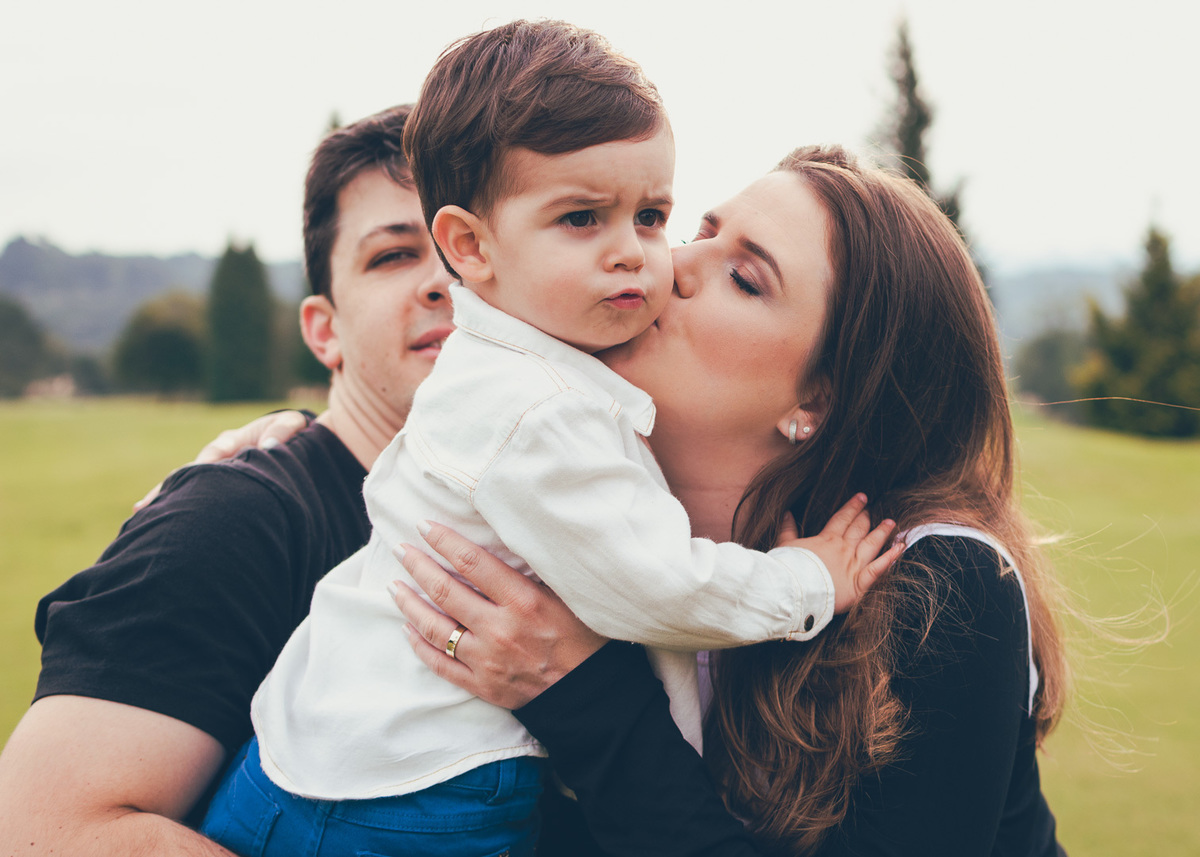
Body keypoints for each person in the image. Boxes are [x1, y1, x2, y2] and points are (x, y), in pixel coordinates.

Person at [200, 20, 899, 857]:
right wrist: (807, 581)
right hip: (415, 789)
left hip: (320, 751)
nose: (638, 257)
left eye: (650, 214)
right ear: (469, 245)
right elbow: (659, 585)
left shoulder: (508, 373)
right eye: (580, 218)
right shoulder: (542, 410)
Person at [390, 146, 1070, 855]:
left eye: (743, 277)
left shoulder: (939, 584)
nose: (668, 264)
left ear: (818, 398)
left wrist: (579, 689)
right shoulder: (576, 514)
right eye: (693, 232)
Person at [0, 105, 455, 855]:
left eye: (465, 248)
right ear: (323, 329)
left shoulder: (556, 508)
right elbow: (40, 829)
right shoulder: (239, 516)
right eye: (392, 255)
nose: (443, 280)